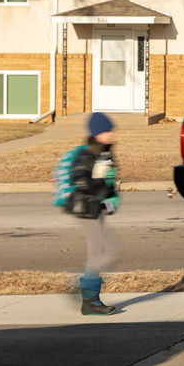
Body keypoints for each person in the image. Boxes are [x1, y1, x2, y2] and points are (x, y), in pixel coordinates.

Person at [72, 112, 121, 316]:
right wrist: (100, 187)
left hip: (97, 209)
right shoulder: (86, 154)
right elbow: (80, 180)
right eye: (106, 131)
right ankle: (86, 294)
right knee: (105, 253)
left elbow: (110, 183)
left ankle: (89, 298)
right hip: (87, 210)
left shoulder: (104, 153)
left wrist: (111, 200)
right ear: (96, 133)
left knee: (101, 253)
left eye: (111, 130)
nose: (111, 134)